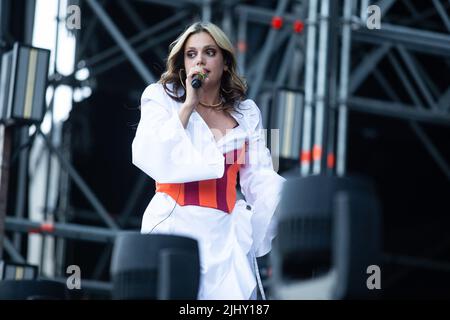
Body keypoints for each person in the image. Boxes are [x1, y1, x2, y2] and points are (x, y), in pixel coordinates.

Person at [131, 21, 285, 300]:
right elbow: (150, 153)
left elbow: (262, 175)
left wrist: (284, 203)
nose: (199, 60)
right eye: (191, 54)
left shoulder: (247, 113)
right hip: (175, 227)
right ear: (183, 63)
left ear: (225, 61)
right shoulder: (161, 97)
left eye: (209, 52)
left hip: (225, 237)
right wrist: (188, 104)